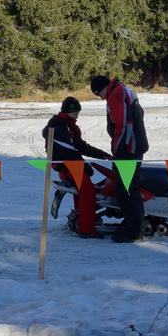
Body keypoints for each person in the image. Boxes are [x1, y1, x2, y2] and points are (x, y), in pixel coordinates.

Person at [42, 96, 112, 239]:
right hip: (66, 165)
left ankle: (80, 218)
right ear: (67, 111)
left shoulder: (69, 125)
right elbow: (68, 150)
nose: (77, 115)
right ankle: (86, 229)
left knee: (81, 190)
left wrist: (103, 155)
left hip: (70, 163)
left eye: (78, 112)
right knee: (87, 190)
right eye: (75, 112)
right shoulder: (59, 126)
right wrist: (83, 166)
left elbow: (80, 146)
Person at [90, 75, 148, 243]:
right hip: (133, 147)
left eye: (98, 94)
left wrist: (118, 149)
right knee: (126, 189)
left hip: (128, 150)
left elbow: (122, 125)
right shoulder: (123, 90)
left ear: (103, 88)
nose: (100, 98)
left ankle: (133, 231)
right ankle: (131, 224)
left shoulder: (116, 94)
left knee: (127, 190)